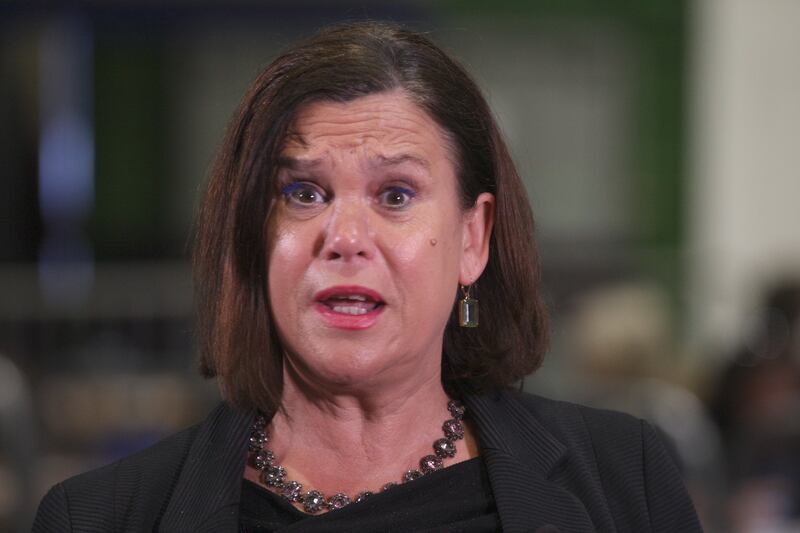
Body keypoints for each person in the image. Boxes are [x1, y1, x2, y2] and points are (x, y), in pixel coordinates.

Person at [32, 21, 702, 532]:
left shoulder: (624, 481)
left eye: (396, 196)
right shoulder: (97, 516)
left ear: (473, 238)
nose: (345, 238)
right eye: (303, 193)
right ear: (252, 235)